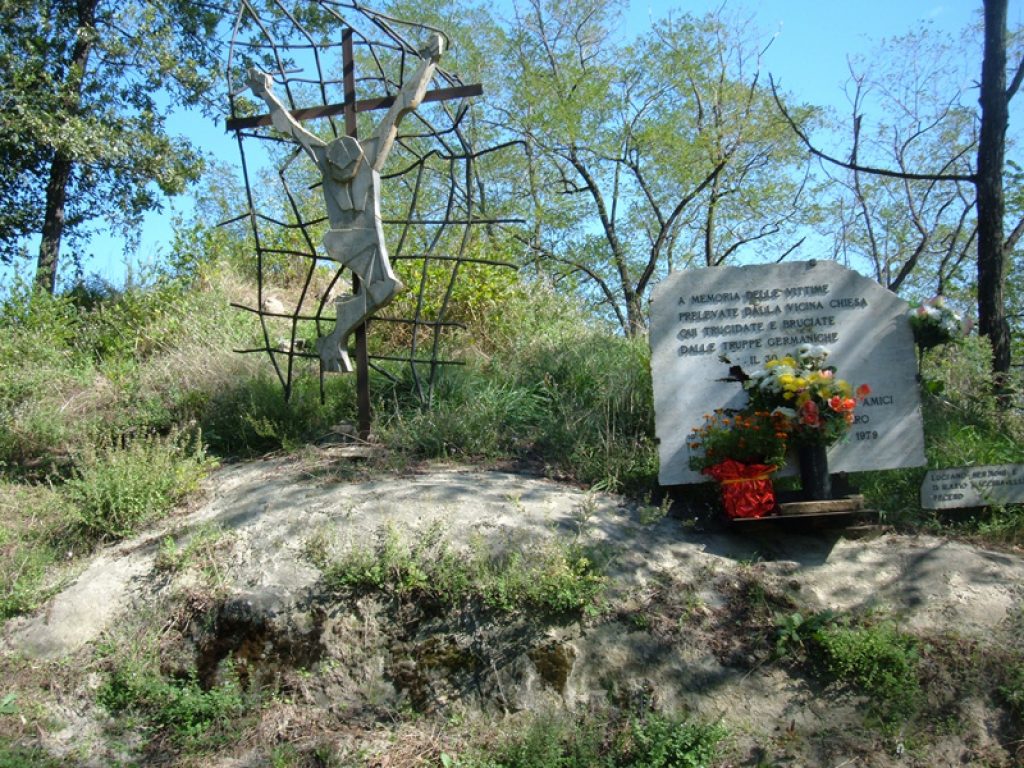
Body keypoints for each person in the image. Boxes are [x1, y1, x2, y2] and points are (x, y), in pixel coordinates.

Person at [247, 32, 445, 372]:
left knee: (385, 288)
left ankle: (335, 337)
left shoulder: (367, 154)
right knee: (386, 287)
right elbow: (291, 127)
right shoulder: (328, 157)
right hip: (347, 238)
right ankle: (335, 337)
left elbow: (402, 106)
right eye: (336, 170)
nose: (340, 173)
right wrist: (264, 92)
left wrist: (428, 61)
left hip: (364, 235)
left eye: (346, 169)